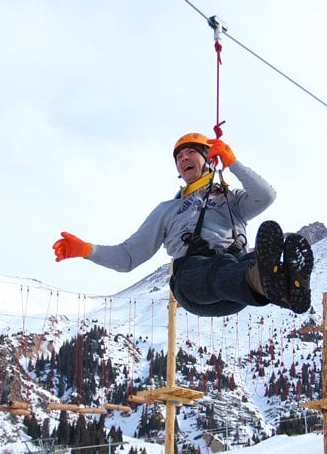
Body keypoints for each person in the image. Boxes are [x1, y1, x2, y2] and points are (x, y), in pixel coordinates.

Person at [52, 132, 313, 317]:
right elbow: (128, 257)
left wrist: (233, 163)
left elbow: (266, 195)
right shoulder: (169, 211)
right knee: (223, 266)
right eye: (179, 157)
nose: (184, 158)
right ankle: (263, 279)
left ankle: (283, 284)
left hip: (236, 292)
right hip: (193, 283)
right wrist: (86, 250)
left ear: (209, 159)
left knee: (275, 246)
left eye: (191, 152)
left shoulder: (232, 201)